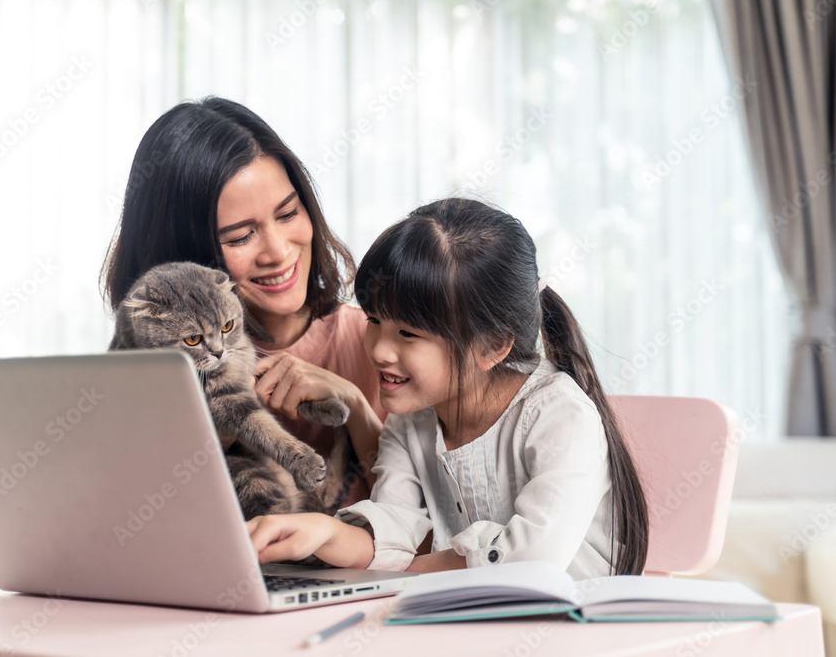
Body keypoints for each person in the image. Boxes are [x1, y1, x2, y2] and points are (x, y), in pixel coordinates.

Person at [246, 198, 650, 578]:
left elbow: (529, 563)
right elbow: (396, 525)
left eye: (407, 332)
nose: (380, 350)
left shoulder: (559, 416)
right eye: (373, 320)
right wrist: (323, 533)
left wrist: (406, 571)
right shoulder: (409, 423)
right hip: (469, 623)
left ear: (492, 345)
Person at [100, 97, 385, 502]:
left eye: (288, 214)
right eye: (239, 237)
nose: (278, 252)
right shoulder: (147, 372)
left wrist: (356, 406)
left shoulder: (378, 342)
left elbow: (431, 535)